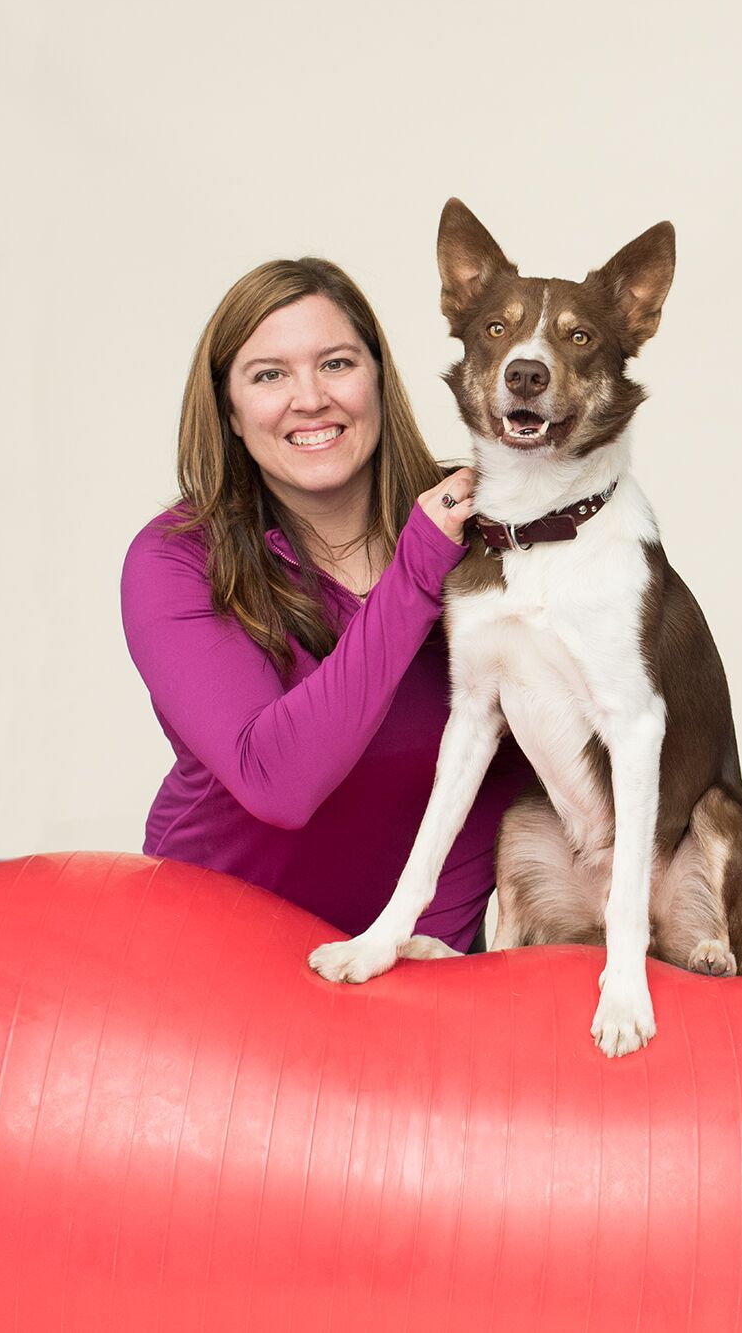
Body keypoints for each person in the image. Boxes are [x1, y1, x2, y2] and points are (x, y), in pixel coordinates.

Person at [121, 257, 531, 953]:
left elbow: (577, 729)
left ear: (376, 377)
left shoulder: (493, 524)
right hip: (208, 970)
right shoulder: (176, 560)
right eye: (269, 375)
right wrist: (417, 568)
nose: (309, 399)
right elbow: (277, 782)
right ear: (229, 408)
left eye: (336, 363)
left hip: (415, 977)